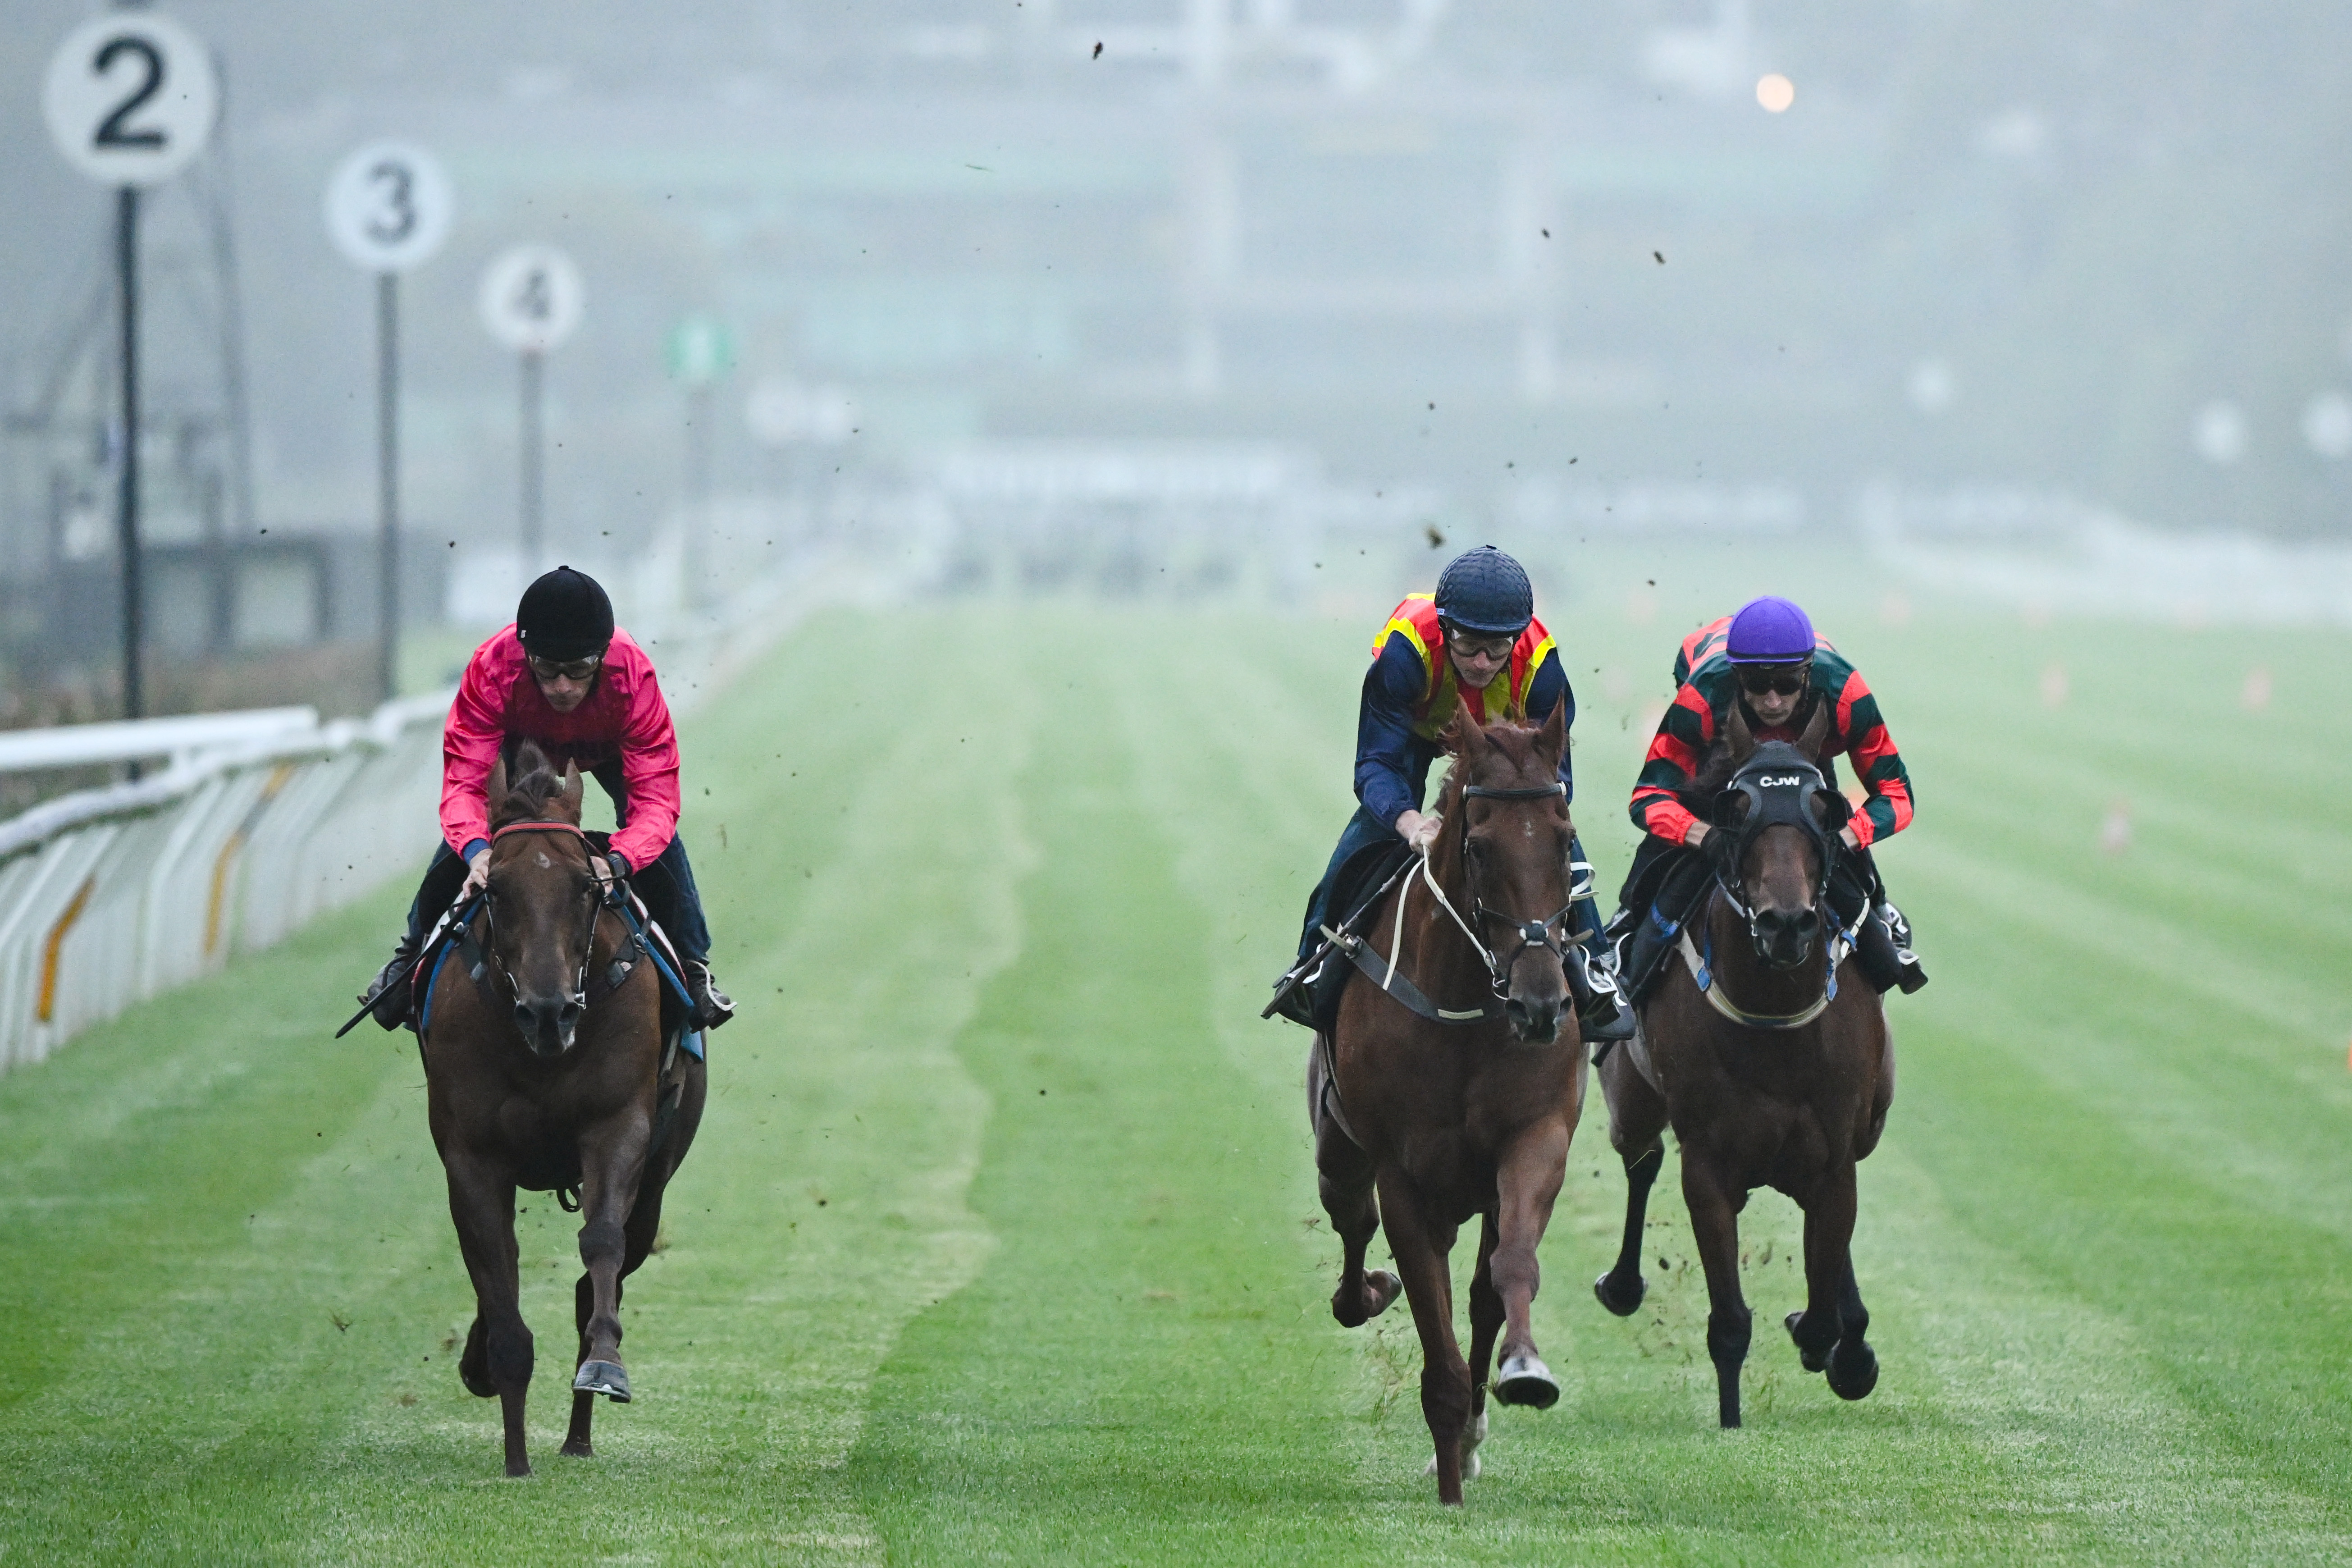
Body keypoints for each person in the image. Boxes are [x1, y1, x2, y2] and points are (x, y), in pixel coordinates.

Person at [1273, 545, 1633, 1041]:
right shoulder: (1406, 651)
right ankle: (1314, 959)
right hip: (1417, 733)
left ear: (1516, 636)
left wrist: (1520, 818)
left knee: (1547, 837)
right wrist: (1410, 822)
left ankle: (1594, 971)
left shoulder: (1541, 664)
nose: (1482, 661)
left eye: (1496, 647)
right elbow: (1375, 763)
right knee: (1365, 838)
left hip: (1505, 746)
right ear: (1444, 630)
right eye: (1467, 646)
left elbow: (1555, 780)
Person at [361, 565, 733, 1032]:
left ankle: (693, 965)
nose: (561, 686)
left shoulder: (632, 674)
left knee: (660, 839)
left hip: (609, 744)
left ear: (601, 657)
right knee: (472, 842)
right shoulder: (493, 666)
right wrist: (477, 853)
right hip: (521, 742)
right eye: (547, 668)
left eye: (577, 671)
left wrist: (618, 862)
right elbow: (464, 788)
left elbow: (656, 802)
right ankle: (409, 955)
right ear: (525, 653)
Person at [1610, 594, 1926, 999]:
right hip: (1726, 750)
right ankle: (1623, 937)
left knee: (1829, 818)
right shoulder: (1705, 694)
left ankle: (1879, 915)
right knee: (1688, 845)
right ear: (1738, 677)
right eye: (1757, 686)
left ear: (1808, 675)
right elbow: (1650, 797)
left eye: (1787, 684)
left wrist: (1844, 837)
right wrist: (1704, 836)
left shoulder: (1845, 692)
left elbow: (1897, 794)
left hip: (1806, 752)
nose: (1773, 700)